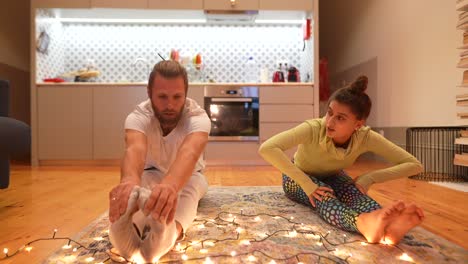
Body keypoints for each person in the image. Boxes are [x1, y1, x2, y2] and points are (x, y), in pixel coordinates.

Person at [258, 76, 425, 244]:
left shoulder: (365, 137)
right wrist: (308, 184)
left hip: (333, 176)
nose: (330, 122)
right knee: (324, 196)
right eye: (330, 112)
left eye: (340, 118)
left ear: (358, 124)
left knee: (355, 193)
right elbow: (267, 148)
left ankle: (388, 227)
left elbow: (414, 165)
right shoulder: (313, 128)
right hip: (298, 178)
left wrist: (369, 178)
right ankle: (362, 224)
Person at [108, 60, 211, 262]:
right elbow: (134, 149)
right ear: (149, 92)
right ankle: (130, 230)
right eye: (162, 97)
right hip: (151, 171)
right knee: (137, 193)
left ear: (186, 93)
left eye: (177, 97)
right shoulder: (138, 116)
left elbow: (190, 152)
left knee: (189, 191)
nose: (170, 105)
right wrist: (129, 182)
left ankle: (169, 234)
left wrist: (170, 187)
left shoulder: (198, 117)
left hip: (191, 176)